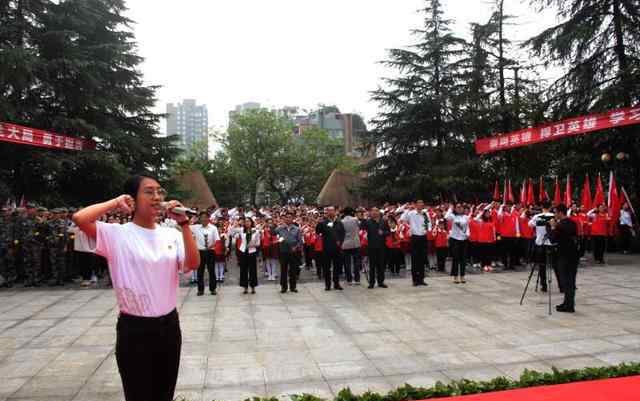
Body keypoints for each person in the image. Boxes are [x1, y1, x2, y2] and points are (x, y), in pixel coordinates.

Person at [72, 174, 200, 401]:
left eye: (160, 191)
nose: (157, 197)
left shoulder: (171, 234)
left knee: (164, 394)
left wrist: (184, 224)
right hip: (135, 330)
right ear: (132, 199)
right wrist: (115, 202)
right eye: (149, 192)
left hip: (169, 327)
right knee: (138, 394)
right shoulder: (117, 234)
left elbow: (192, 263)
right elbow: (80, 218)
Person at [548, 204, 579, 313]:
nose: (555, 215)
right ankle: (568, 303)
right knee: (571, 281)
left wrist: (552, 227)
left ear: (561, 213)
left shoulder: (560, 225)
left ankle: (569, 305)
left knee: (566, 281)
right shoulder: (572, 223)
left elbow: (552, 239)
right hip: (574, 255)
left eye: (556, 212)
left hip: (564, 256)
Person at [400, 200, 430, 286]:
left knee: (422, 258)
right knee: (415, 259)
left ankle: (421, 279)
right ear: (416, 205)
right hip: (415, 238)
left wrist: (426, 229)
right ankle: (415, 280)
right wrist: (407, 209)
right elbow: (402, 219)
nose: (421, 205)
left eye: (422, 204)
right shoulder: (411, 213)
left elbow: (429, 223)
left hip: (423, 237)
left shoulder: (425, 213)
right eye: (419, 204)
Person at [529, 202, 557, 292]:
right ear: (550, 207)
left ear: (542, 207)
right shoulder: (553, 215)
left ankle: (543, 285)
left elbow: (530, 224)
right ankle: (562, 285)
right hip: (551, 243)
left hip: (540, 243)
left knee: (542, 265)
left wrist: (537, 222)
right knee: (556, 265)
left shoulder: (537, 216)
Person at [315, 206, 345, 291]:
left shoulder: (339, 223)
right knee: (326, 268)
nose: (331, 212)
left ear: (335, 212)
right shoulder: (323, 223)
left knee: (337, 267)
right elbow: (317, 232)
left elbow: (343, 233)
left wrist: (340, 241)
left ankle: (336, 284)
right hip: (326, 249)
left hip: (337, 249)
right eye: (329, 211)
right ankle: (327, 285)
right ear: (327, 213)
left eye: (332, 211)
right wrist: (318, 223)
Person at [360, 207, 389, 289]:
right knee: (372, 266)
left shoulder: (383, 221)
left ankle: (381, 282)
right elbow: (361, 227)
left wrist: (383, 232)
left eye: (376, 211)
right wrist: (364, 219)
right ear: (371, 213)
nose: (374, 212)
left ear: (379, 212)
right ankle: (371, 283)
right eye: (373, 211)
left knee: (381, 265)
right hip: (371, 247)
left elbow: (388, 232)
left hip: (382, 247)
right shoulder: (368, 222)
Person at [191, 211, 219, 296]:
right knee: (200, 271)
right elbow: (181, 227)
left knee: (211, 270)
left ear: (208, 218)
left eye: (205, 217)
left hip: (210, 251)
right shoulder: (196, 227)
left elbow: (217, 240)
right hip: (200, 251)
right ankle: (200, 289)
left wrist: (210, 246)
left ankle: (213, 289)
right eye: (202, 217)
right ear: (199, 219)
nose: (204, 219)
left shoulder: (213, 228)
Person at [275, 212, 303, 293]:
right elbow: (272, 235)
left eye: (290, 217)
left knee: (293, 270)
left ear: (292, 218)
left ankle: (293, 287)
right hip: (283, 252)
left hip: (293, 252)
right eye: (286, 217)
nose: (288, 219)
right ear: (284, 219)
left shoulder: (297, 229)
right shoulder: (279, 229)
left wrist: (296, 247)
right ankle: (283, 287)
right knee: (283, 270)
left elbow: (300, 241)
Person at [231, 217, 261, 294]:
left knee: (252, 270)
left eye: (248, 221)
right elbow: (232, 233)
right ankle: (245, 287)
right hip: (243, 251)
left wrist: (253, 245)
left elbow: (258, 243)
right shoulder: (241, 230)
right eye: (245, 221)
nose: (247, 223)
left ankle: (253, 287)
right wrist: (235, 224)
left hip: (252, 251)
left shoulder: (256, 231)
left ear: (251, 222)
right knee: (243, 270)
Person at [445, 203, 470, 284]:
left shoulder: (466, 217)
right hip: (455, 240)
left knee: (463, 259)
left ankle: (462, 276)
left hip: (463, 240)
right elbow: (446, 217)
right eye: (458, 207)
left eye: (461, 207)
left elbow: (467, 227)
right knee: (456, 258)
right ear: (455, 209)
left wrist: (468, 234)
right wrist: (450, 208)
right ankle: (455, 276)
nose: (459, 209)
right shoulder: (453, 216)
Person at [341, 207, 361, 285]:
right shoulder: (355, 219)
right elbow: (359, 227)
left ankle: (349, 280)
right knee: (356, 262)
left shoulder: (342, 221)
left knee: (347, 262)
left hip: (345, 243)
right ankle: (357, 279)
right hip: (355, 242)